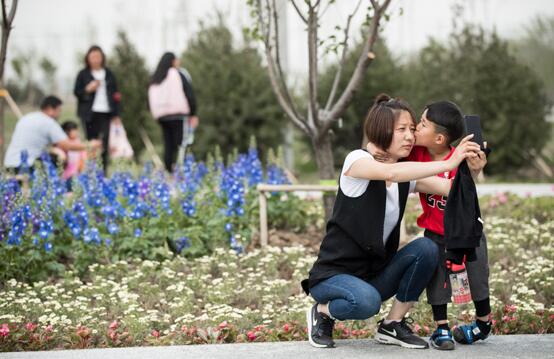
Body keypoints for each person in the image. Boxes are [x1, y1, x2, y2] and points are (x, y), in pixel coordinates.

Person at [302, 94, 481, 350]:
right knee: (367, 302)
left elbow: (450, 188)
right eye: (401, 130)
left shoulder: (405, 174)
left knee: (427, 248)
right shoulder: (356, 161)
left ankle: (392, 324)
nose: (410, 136)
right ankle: (322, 312)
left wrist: (473, 167)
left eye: (412, 129)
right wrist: (448, 161)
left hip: (373, 274)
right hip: (334, 275)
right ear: (382, 130)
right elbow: (391, 172)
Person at [369, 101, 490, 350]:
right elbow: (388, 152)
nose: (414, 130)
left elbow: (462, 190)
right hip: (435, 233)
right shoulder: (417, 154)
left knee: (477, 277)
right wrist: (372, 146)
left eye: (421, 124)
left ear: (438, 138)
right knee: (437, 282)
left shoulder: (460, 157)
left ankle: (484, 321)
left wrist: (474, 172)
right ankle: (441, 328)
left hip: (468, 232)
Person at [3, 96, 101, 173]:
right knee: (57, 158)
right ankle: (59, 187)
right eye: (59, 110)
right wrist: (90, 145)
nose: (59, 114)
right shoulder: (48, 122)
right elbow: (67, 146)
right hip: (27, 167)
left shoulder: (26, 117)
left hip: (8, 164)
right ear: (50, 109)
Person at [148, 52, 198, 173]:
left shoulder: (156, 77)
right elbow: (189, 93)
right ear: (172, 61)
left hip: (162, 116)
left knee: (168, 144)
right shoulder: (178, 73)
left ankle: (168, 170)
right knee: (182, 143)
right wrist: (193, 113)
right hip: (179, 115)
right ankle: (182, 171)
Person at [74, 45, 121, 173]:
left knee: (104, 143)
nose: (95, 59)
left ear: (102, 58)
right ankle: (91, 172)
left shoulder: (109, 73)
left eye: (98, 56)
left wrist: (116, 114)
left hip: (106, 112)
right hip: (89, 113)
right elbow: (77, 92)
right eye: (92, 57)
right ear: (88, 59)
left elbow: (116, 95)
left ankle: (103, 172)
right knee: (91, 143)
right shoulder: (83, 74)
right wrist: (88, 89)